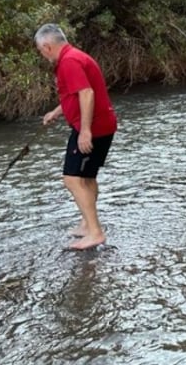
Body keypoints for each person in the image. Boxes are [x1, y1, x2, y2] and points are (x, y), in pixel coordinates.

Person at [35, 23, 118, 251]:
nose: (43, 56)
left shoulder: (69, 62)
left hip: (93, 127)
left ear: (47, 46)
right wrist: (56, 112)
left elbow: (86, 93)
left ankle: (95, 232)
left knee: (72, 179)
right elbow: (75, 93)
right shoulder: (73, 57)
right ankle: (87, 224)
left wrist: (85, 130)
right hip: (101, 124)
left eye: (41, 51)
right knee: (87, 177)